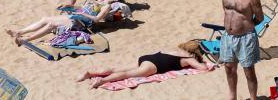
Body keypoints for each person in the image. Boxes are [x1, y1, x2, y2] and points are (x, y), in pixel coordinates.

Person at [7, 0, 127, 46]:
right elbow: (81, 6)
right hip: (76, 16)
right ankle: (19, 32)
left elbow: (96, 19)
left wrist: (82, 14)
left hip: (82, 22)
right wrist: (70, 6)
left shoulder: (106, 6)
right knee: (45, 19)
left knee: (50, 25)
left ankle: (25, 40)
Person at [77, 40, 214, 89]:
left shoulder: (176, 49)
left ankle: (90, 73)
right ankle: (102, 81)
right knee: (126, 75)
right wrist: (203, 61)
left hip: (147, 57)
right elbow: (203, 69)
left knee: (116, 68)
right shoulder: (188, 58)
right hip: (153, 66)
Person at [220, 0, 264, 100]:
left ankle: (253, 98)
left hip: (246, 38)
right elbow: (226, 10)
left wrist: (247, 26)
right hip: (228, 36)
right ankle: (232, 96)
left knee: (248, 71)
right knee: (228, 67)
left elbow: (260, 17)